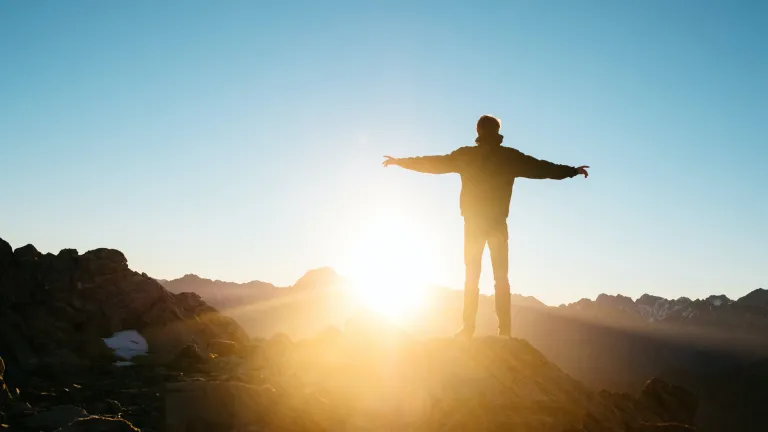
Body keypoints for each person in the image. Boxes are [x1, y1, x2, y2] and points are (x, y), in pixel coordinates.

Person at [383, 115, 588, 338]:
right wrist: (572, 171)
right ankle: (505, 331)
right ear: (497, 130)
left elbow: (433, 163)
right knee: (501, 277)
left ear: (478, 131)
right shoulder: (509, 157)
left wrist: (400, 162)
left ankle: (468, 328)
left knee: (472, 275)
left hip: (473, 224)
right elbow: (541, 168)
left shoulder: (466, 156)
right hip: (497, 224)